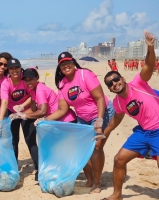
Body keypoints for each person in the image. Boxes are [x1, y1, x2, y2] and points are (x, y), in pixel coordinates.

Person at [101, 30, 158, 200]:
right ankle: (117, 195)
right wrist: (102, 135)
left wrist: (150, 46)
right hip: (143, 132)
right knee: (119, 159)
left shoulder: (138, 84)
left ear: (123, 79)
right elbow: (114, 121)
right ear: (110, 89)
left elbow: (148, 65)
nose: (114, 84)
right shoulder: (118, 103)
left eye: (116, 80)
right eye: (110, 84)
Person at [54, 52, 115, 194]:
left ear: (74, 63)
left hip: (102, 112)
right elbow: (62, 109)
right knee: (82, 150)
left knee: (97, 147)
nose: (66, 66)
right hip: (83, 117)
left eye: (68, 62)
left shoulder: (85, 75)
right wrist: (44, 120)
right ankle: (89, 180)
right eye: (62, 64)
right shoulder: (62, 85)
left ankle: (97, 183)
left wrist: (99, 121)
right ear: (59, 67)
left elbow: (100, 98)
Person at [0, 58, 38, 181]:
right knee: (13, 141)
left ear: (20, 68)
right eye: (11, 68)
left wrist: (22, 106)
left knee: (30, 140)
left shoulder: (24, 79)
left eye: (17, 68)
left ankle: (39, 169)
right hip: (12, 112)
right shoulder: (5, 83)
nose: (14, 70)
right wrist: (0, 121)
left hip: (26, 110)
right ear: (8, 70)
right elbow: (4, 102)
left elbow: (32, 95)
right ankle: (14, 169)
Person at [12, 68, 77, 124]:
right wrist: (18, 114)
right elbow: (33, 109)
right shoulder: (32, 90)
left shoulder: (40, 90)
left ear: (37, 78)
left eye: (31, 79)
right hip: (55, 119)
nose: (28, 83)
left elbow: (43, 111)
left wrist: (25, 116)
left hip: (66, 120)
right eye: (26, 80)